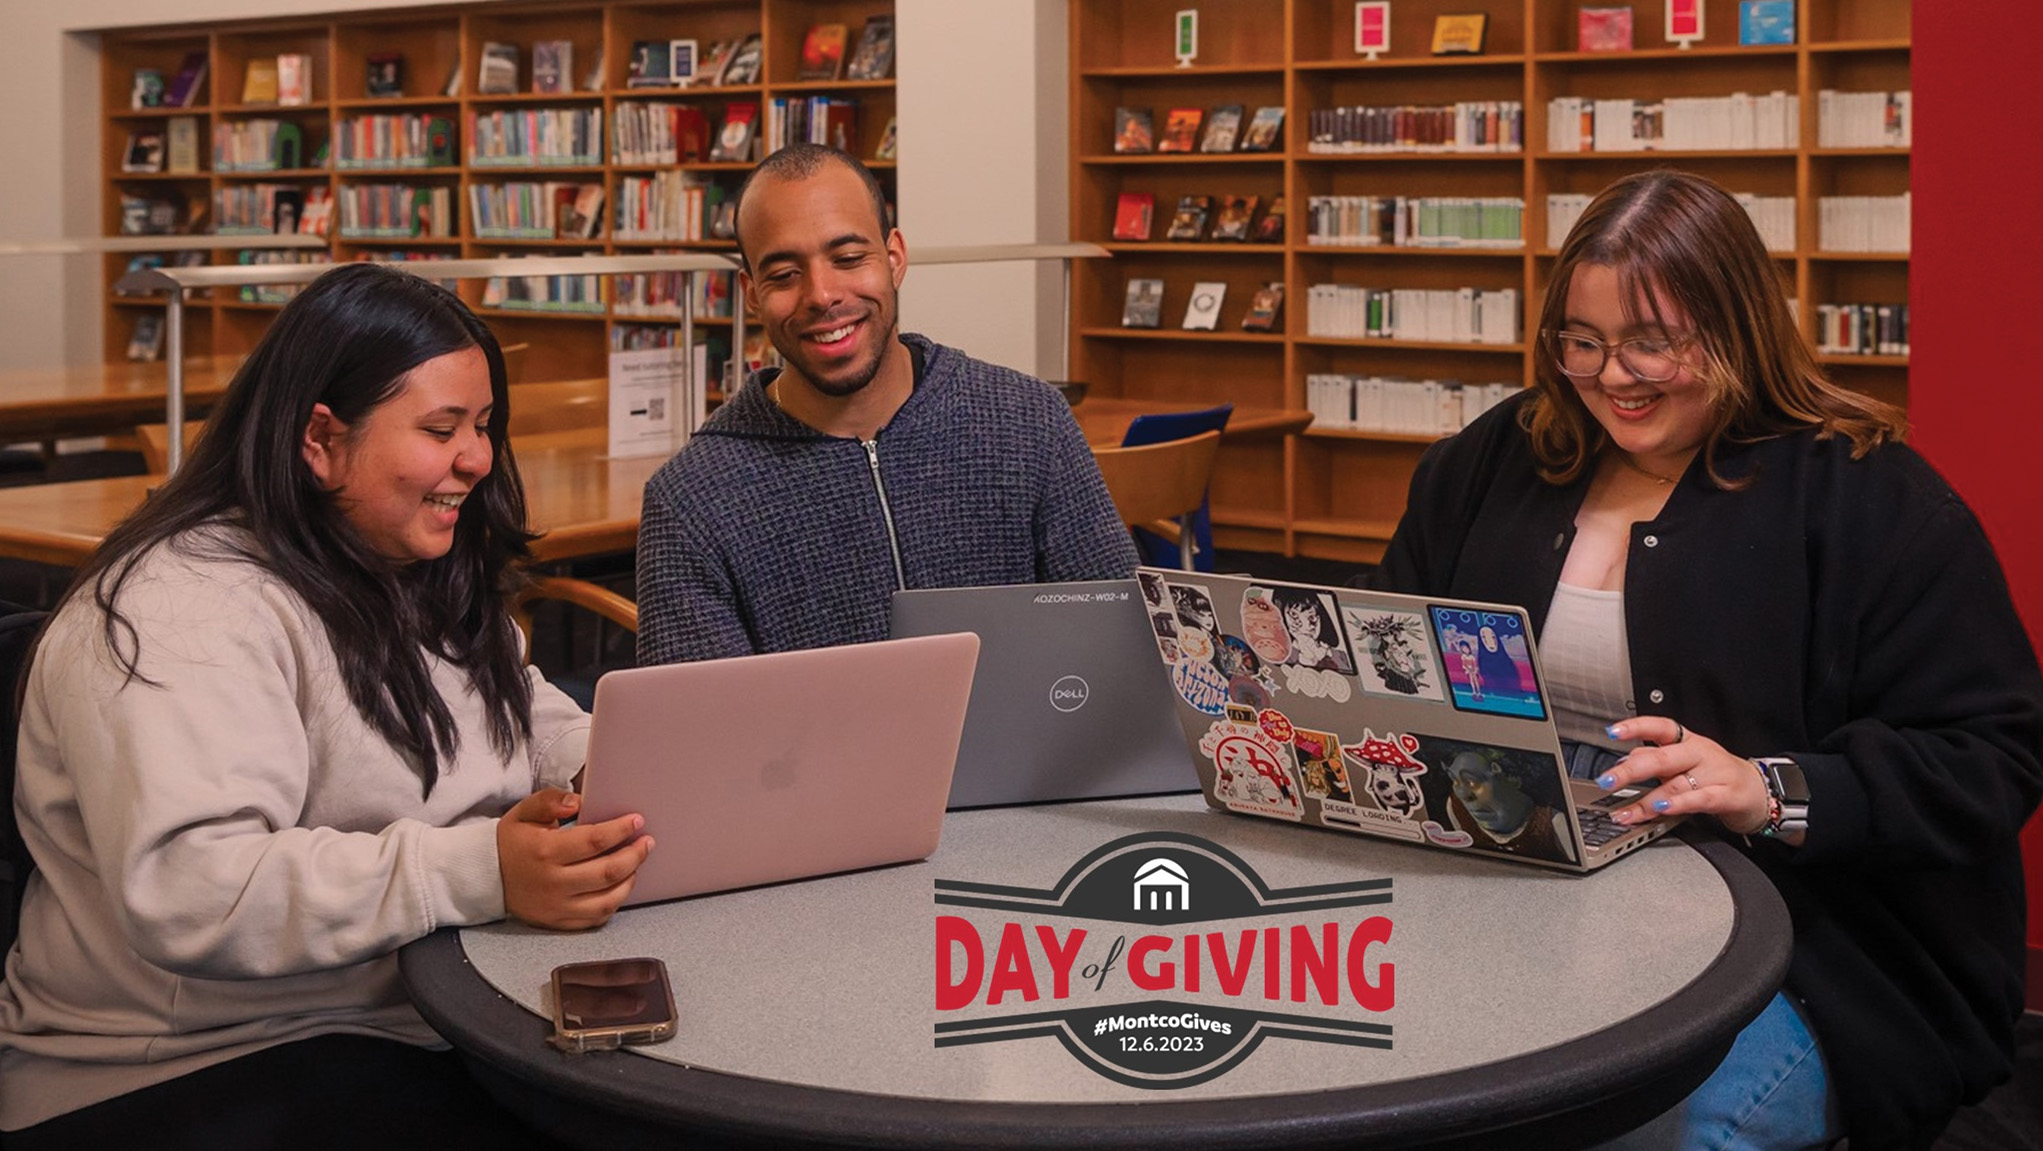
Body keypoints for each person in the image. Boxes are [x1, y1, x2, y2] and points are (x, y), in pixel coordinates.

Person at [1371, 169, 2043, 1149]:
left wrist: (1767, 785)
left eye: (1653, 341)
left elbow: (1995, 754)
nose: (1613, 376)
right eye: (1584, 341)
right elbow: (1387, 649)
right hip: (1509, 906)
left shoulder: (1871, 501)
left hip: (1811, 945)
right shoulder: (1487, 463)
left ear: (1735, 331)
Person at [0, 265, 652, 1149]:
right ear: (320, 438)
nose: (477, 458)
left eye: (485, 425)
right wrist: (480, 869)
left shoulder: (403, 557)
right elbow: (195, 891)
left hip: (412, 1018)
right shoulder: (179, 608)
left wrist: (603, 767)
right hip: (190, 1065)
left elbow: (522, 711)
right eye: (440, 428)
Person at [635, 143, 1137, 664]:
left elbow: (1121, 643)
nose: (822, 295)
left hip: (1033, 744)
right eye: (784, 275)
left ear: (894, 258)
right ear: (752, 293)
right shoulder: (690, 501)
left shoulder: (1030, 421)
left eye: (849, 258)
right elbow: (698, 735)